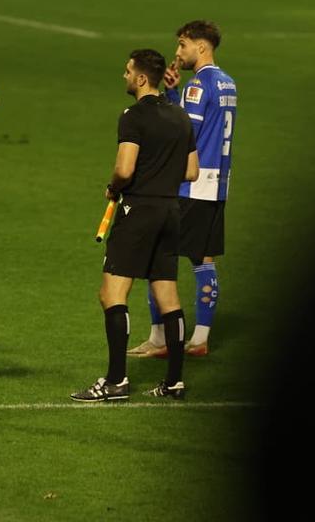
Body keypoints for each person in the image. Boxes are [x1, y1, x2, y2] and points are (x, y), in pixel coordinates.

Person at [72, 49, 198, 402]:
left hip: (137, 211)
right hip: (171, 212)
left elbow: (125, 169)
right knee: (168, 296)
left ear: (142, 78)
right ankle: (174, 382)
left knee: (111, 293)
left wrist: (114, 187)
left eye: (128, 71)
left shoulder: (132, 117)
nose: (125, 76)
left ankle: (116, 381)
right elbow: (191, 171)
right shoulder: (180, 117)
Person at [130, 22, 235, 359]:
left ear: (201, 47)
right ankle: (200, 338)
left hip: (190, 185)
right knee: (204, 260)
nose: (177, 53)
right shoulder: (228, 83)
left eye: (182, 45)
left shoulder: (199, 86)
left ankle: (160, 337)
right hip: (217, 183)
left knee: (158, 256)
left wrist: (170, 97)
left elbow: (182, 131)